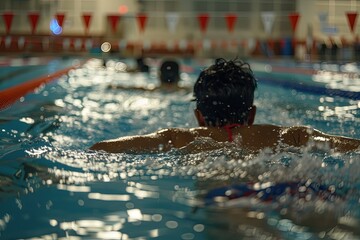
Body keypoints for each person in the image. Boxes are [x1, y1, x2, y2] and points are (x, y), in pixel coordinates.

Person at [90, 58, 360, 154]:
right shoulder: (292, 136)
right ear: (251, 114)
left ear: (199, 116)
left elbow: (100, 149)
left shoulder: (178, 138)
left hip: (225, 197)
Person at [108, 58, 188, 92]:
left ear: (159, 75)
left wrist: (115, 87)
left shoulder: (151, 90)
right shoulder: (186, 91)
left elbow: (132, 89)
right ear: (179, 77)